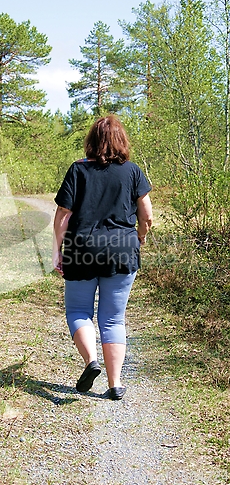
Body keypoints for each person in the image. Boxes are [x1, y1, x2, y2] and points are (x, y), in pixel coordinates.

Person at [53, 115, 153, 400]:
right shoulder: (133, 171)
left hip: (81, 250)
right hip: (122, 251)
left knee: (78, 311)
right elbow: (146, 214)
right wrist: (141, 236)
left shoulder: (77, 170)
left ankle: (90, 362)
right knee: (113, 319)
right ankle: (115, 383)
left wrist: (57, 251)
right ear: (122, 141)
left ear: (91, 141)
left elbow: (63, 215)